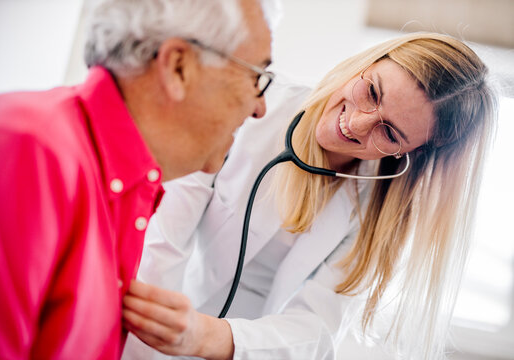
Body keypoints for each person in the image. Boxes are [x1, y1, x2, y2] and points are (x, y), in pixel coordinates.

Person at [121, 32, 497, 360]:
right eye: (371, 92)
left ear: (409, 153)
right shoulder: (255, 107)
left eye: (390, 133)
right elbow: (162, 235)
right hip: (141, 323)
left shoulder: (379, 213)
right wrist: (151, 340)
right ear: (365, 63)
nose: (357, 124)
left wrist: (205, 338)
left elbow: (316, 330)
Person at [0, 0, 278, 358]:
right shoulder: (25, 148)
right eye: (255, 76)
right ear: (179, 67)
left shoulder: (130, 187)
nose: (260, 108)